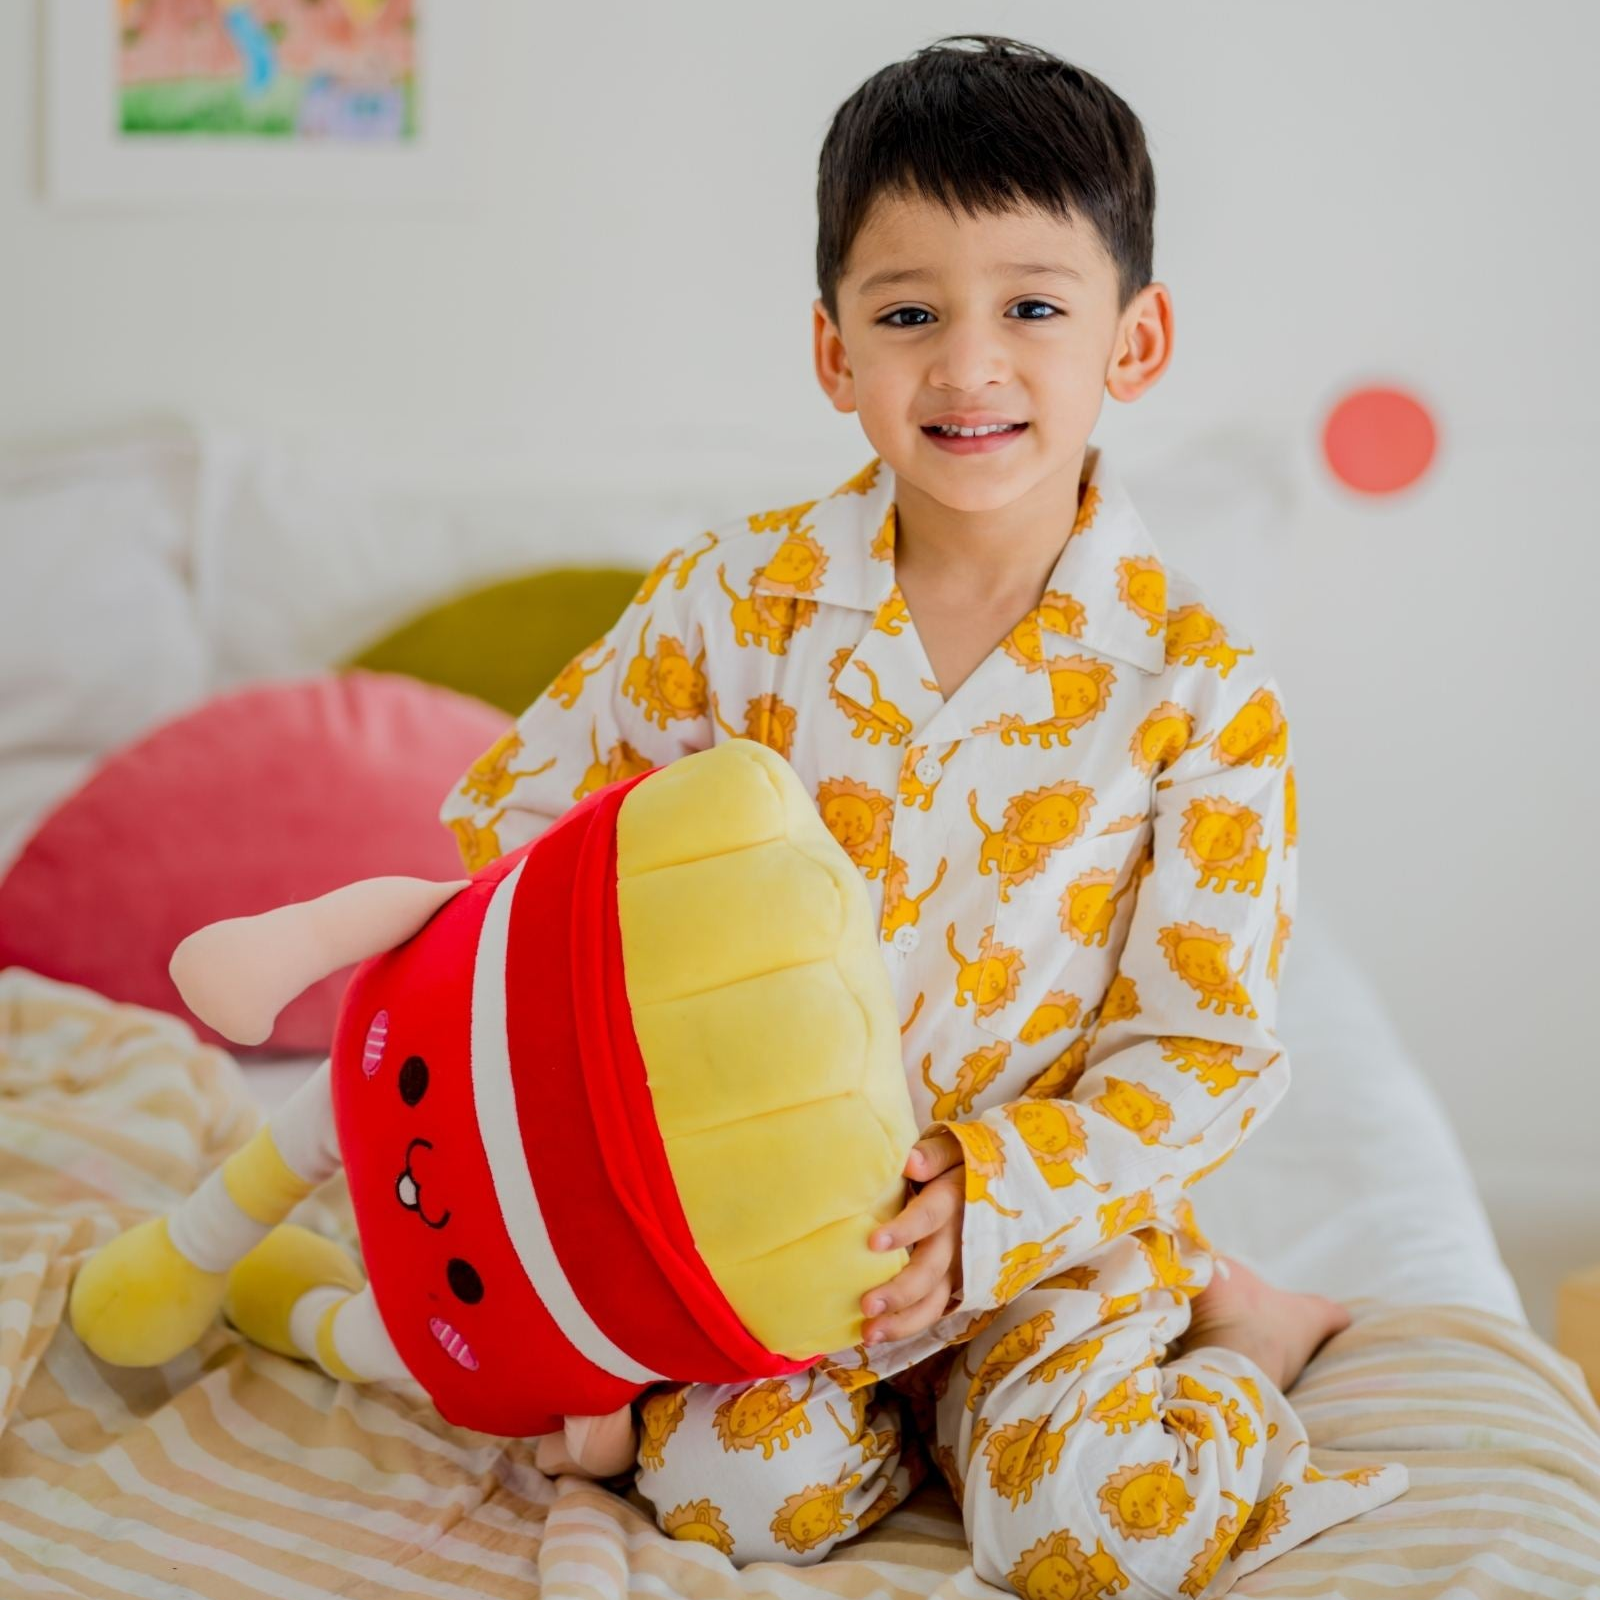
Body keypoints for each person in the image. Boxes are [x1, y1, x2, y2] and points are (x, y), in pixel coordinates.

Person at [438, 33, 1407, 1597]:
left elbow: (1209, 1048)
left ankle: (1242, 1334)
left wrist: (1002, 1202)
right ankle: (921, 1429)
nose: (969, 364)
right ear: (834, 353)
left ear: (1134, 341)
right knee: (733, 1499)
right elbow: (524, 838)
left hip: (1048, 1231)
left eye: (1033, 307)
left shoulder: (1199, 688)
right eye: (909, 314)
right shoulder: (728, 603)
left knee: (1089, 1537)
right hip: (777, 1227)